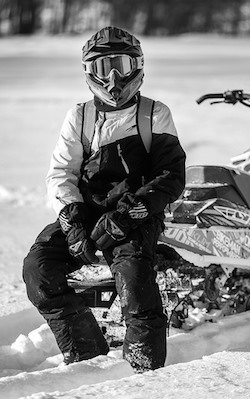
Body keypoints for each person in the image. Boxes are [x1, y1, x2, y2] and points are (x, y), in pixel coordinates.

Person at [23, 26, 186, 373]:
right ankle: (87, 356)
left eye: (122, 65)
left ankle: (145, 373)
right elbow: (61, 172)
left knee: (135, 282)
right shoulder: (79, 116)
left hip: (136, 213)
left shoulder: (154, 113)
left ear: (137, 66)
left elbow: (170, 174)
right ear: (89, 73)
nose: (113, 77)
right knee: (38, 270)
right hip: (88, 211)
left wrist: (128, 216)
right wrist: (71, 221)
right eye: (102, 67)